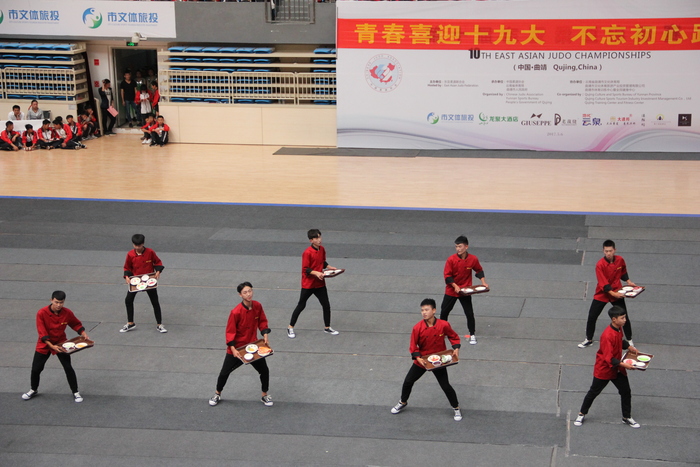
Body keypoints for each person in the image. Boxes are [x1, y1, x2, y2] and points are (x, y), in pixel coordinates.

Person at [390, 298, 463, 421]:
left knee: (445, 386)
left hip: (439, 360)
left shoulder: (444, 325)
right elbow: (413, 345)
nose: (424, 312)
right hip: (423, 359)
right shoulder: (417, 328)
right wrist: (418, 358)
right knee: (408, 381)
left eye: (426, 310)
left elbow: (453, 336)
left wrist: (456, 348)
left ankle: (456, 407)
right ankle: (403, 402)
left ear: (434, 310)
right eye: (422, 310)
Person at [574, 306, 641, 428]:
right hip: (604, 369)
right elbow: (609, 358)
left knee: (626, 391)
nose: (625, 320)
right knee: (594, 392)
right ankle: (581, 413)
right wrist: (625, 365)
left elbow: (620, 341)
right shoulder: (607, 336)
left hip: (617, 368)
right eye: (622, 318)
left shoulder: (618, 328)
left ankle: (626, 417)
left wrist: (628, 347)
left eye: (625, 317)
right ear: (614, 319)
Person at [209, 282, 273, 408]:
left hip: (253, 346)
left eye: (250, 291)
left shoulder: (257, 306)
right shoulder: (235, 312)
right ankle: (217, 393)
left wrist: (265, 334)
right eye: (245, 292)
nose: (248, 294)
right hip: (238, 348)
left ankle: (264, 394)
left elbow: (262, 321)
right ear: (240, 295)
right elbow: (230, 331)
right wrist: (233, 349)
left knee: (264, 371)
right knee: (224, 372)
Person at [21, 290, 90, 403]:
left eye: (61, 302)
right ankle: (33, 389)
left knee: (68, 367)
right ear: (51, 300)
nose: (58, 305)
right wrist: (52, 346)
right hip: (44, 344)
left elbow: (75, 324)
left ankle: (75, 392)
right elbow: (42, 332)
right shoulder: (41, 313)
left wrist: (83, 334)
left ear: (64, 302)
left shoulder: (67, 312)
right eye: (56, 302)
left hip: (61, 343)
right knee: (36, 369)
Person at [579, 240, 637, 348]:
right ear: (603, 251)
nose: (608, 253)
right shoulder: (600, 265)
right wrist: (614, 294)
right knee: (592, 316)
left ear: (614, 250)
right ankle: (588, 339)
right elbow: (603, 283)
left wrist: (629, 282)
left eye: (610, 251)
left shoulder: (620, 260)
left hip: (617, 290)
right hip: (602, 294)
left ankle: (629, 340)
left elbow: (623, 272)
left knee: (624, 316)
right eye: (606, 251)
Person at [287, 229, 339, 338]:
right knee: (301, 305)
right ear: (311, 240)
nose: (319, 240)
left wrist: (330, 267)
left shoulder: (322, 249)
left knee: (326, 305)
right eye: (316, 238)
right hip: (309, 284)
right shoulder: (307, 253)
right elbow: (306, 269)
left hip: (320, 283)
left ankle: (327, 327)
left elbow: (322, 262)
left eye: (320, 237)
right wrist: (317, 273)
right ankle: (290, 327)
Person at [439, 235, 487, 344]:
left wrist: (483, 283)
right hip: (451, 290)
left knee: (469, 313)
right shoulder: (451, 259)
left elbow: (479, 270)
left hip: (465, 291)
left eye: (460, 246)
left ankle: (472, 334)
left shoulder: (473, 259)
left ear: (466, 247)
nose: (458, 249)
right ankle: (442, 333)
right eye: (456, 247)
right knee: (444, 311)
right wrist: (455, 286)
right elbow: (447, 276)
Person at [121, 233, 167, 333]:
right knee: (128, 300)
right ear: (133, 244)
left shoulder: (150, 252)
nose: (137, 248)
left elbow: (158, 262)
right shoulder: (130, 254)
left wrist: (158, 271)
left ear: (143, 244)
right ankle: (130, 323)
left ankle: (159, 324)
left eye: (139, 245)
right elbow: (127, 267)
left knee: (155, 301)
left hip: (149, 280)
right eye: (135, 245)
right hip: (135, 280)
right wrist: (127, 277)